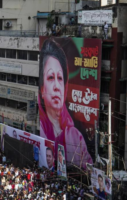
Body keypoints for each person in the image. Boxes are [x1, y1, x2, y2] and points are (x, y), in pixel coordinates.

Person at [38, 38, 93, 169]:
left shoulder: (75, 136)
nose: (57, 86)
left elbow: (89, 169)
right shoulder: (39, 129)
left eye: (60, 78)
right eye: (51, 78)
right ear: (42, 89)